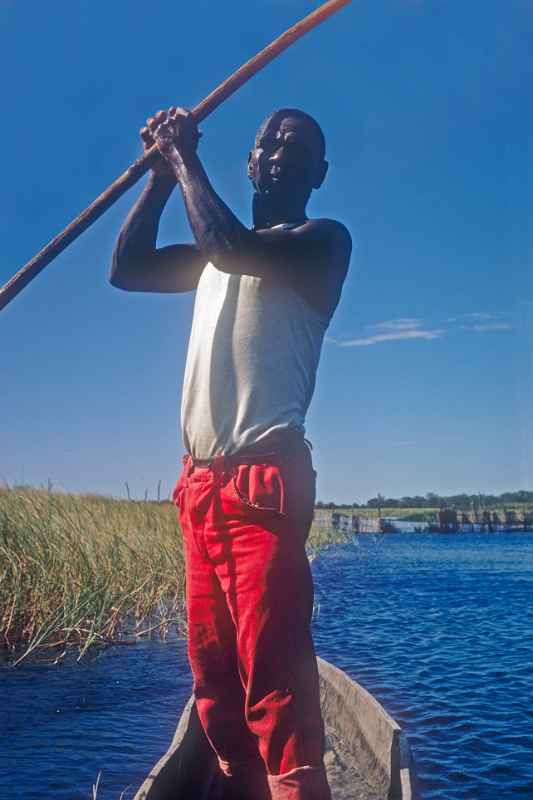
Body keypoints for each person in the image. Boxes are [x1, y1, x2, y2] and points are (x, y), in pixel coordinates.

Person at [110, 105, 351, 800]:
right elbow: (126, 269)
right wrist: (160, 173)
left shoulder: (319, 243)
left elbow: (228, 245)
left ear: (318, 174)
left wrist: (184, 155)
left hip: (263, 485)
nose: (279, 152)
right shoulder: (212, 255)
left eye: (297, 147)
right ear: (248, 164)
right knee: (213, 675)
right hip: (200, 491)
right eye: (268, 143)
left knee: (272, 678)